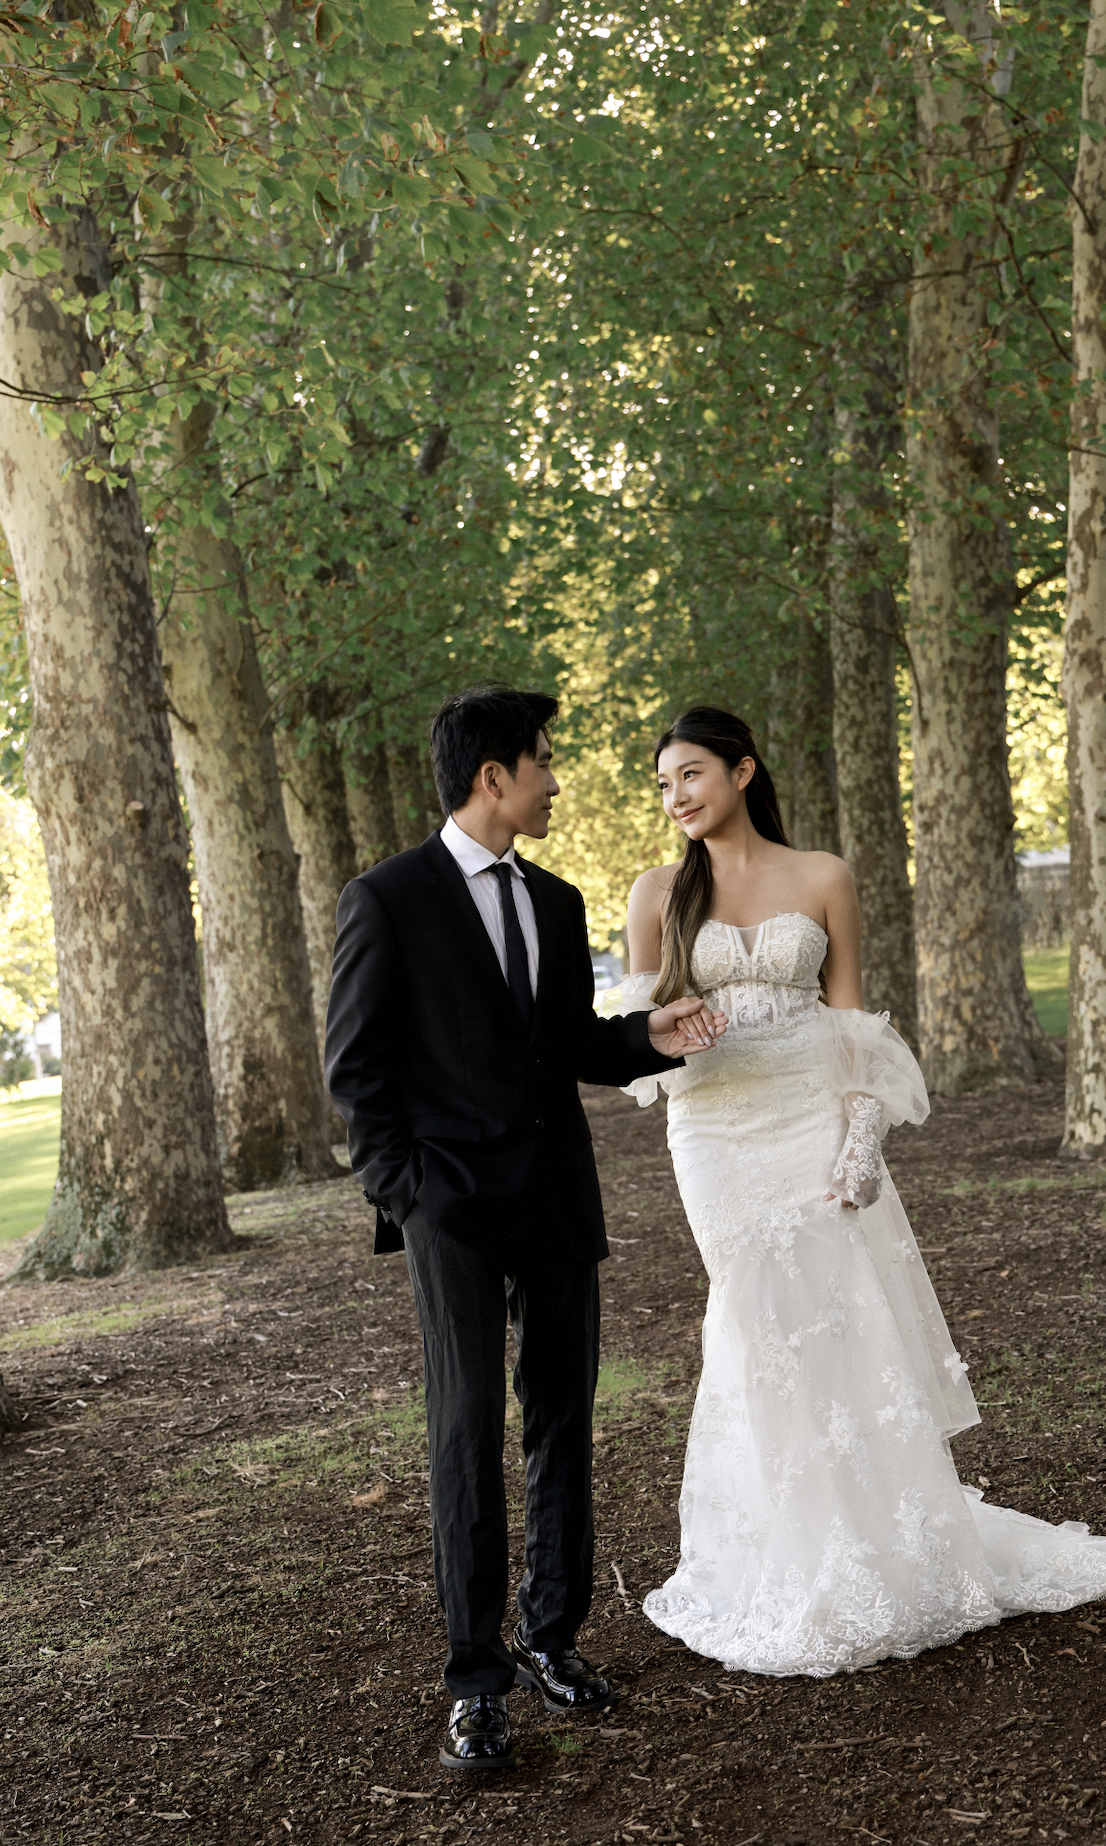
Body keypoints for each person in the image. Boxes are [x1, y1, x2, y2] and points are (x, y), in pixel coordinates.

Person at [622, 705, 1106, 1678]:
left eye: (691, 773)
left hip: (807, 1113)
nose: (677, 797)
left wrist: (860, 1134)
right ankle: (781, 1546)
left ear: (743, 768)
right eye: (663, 784)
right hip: (712, 1131)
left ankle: (879, 1538)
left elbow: (851, 1019)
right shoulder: (657, 891)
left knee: (834, 1318)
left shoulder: (823, 874)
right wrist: (669, 1023)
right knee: (753, 1321)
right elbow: (633, 1036)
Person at [324, 687, 725, 1769]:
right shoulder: (385, 898)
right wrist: (407, 1191)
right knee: (463, 1435)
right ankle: (476, 1678)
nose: (555, 779)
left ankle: (550, 1636)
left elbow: (564, 1046)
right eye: (543, 761)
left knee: (561, 1424)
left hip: (553, 1198)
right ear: (492, 776)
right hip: (447, 1208)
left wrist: (653, 1033)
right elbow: (353, 1071)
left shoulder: (552, 898)